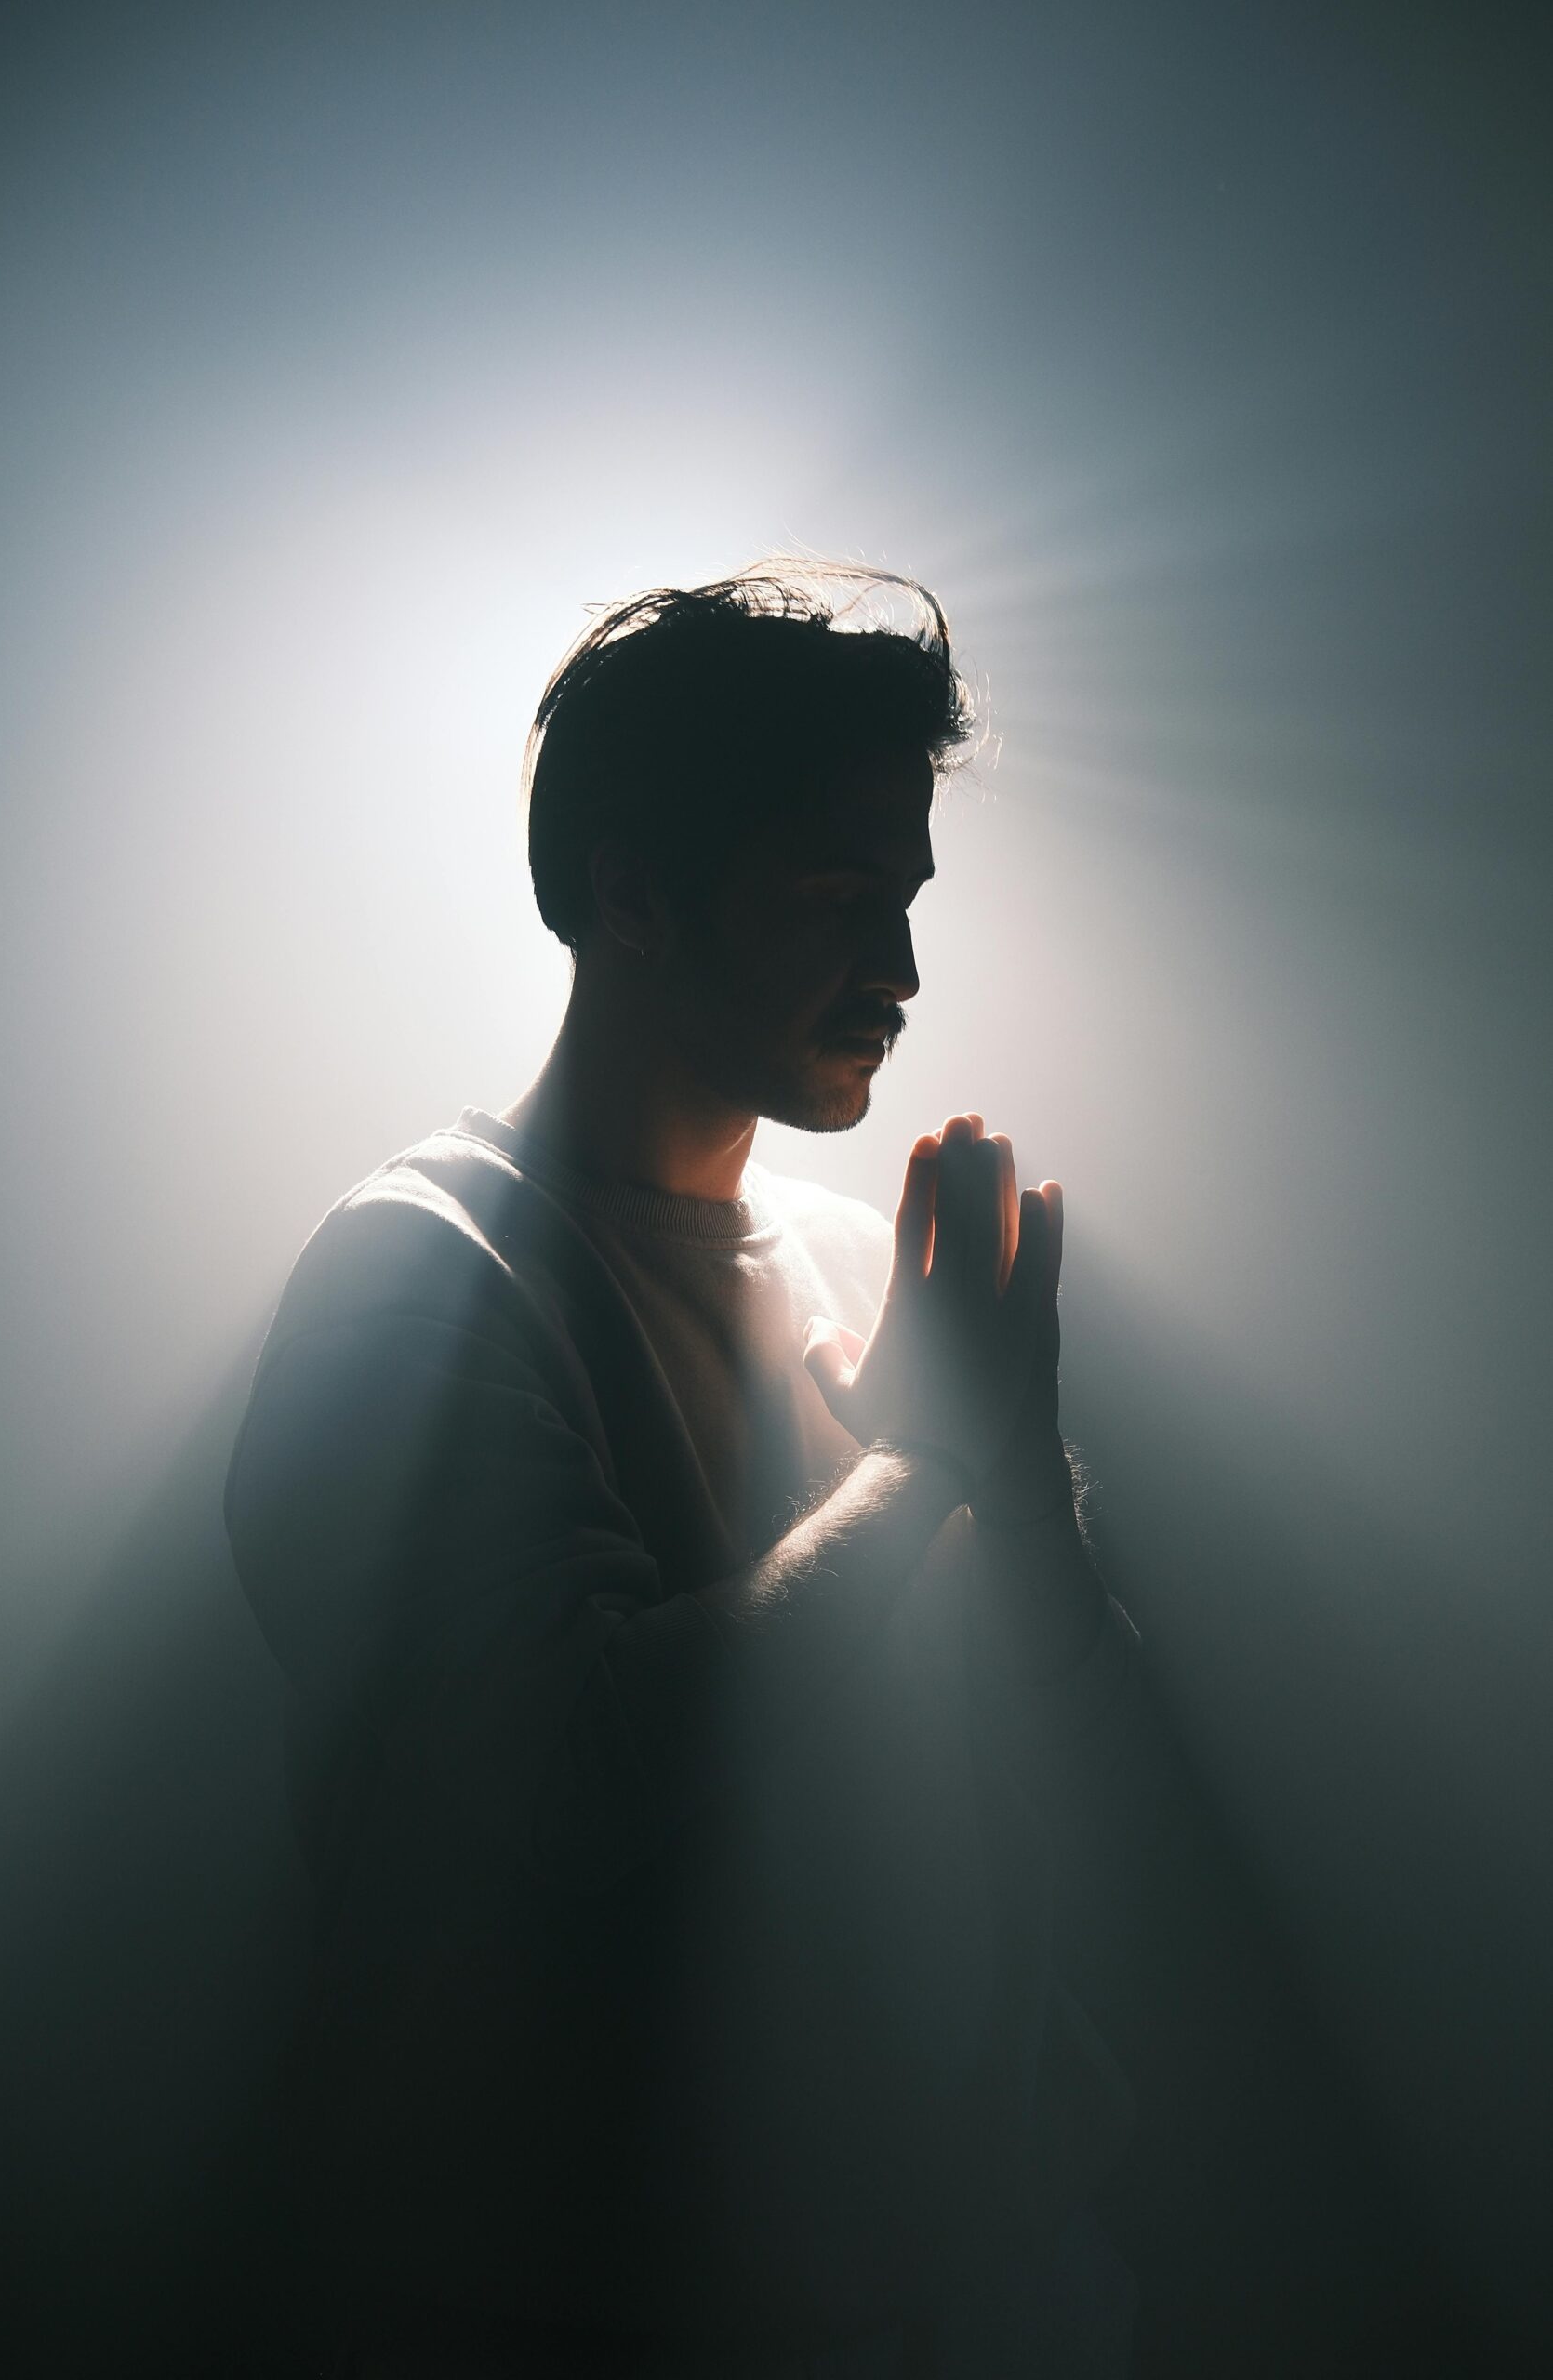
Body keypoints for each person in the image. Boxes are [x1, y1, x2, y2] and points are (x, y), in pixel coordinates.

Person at [225, 562, 1142, 2378]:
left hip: (932, 2303)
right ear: (629, 890)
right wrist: (928, 1453)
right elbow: (546, 1802)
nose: (894, 971)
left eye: (904, 901)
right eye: (835, 895)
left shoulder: (869, 1272)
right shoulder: (422, 1270)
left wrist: (1017, 1474)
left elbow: (1082, 1773)